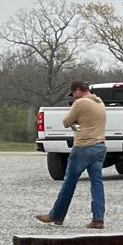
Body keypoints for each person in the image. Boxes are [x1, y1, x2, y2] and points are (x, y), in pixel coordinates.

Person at [36, 80, 107, 230]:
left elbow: (66, 122)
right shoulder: (100, 102)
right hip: (100, 146)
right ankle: (98, 219)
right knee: (97, 184)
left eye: (74, 94)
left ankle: (56, 215)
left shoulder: (81, 103)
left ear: (77, 90)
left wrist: (75, 117)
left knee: (69, 183)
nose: (74, 97)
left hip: (83, 147)